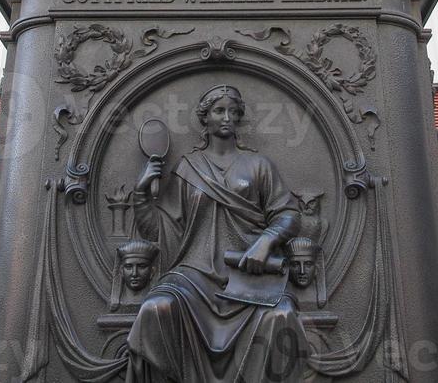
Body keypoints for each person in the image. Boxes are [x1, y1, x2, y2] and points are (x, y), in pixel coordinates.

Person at [126, 84, 306, 382]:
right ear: (204, 117)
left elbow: (288, 214)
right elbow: (163, 229)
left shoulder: (259, 165)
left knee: (282, 314)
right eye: (219, 110)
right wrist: (141, 193)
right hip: (193, 275)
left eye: (233, 112)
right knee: (155, 308)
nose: (227, 117)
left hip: (248, 275)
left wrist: (266, 242)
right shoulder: (188, 168)